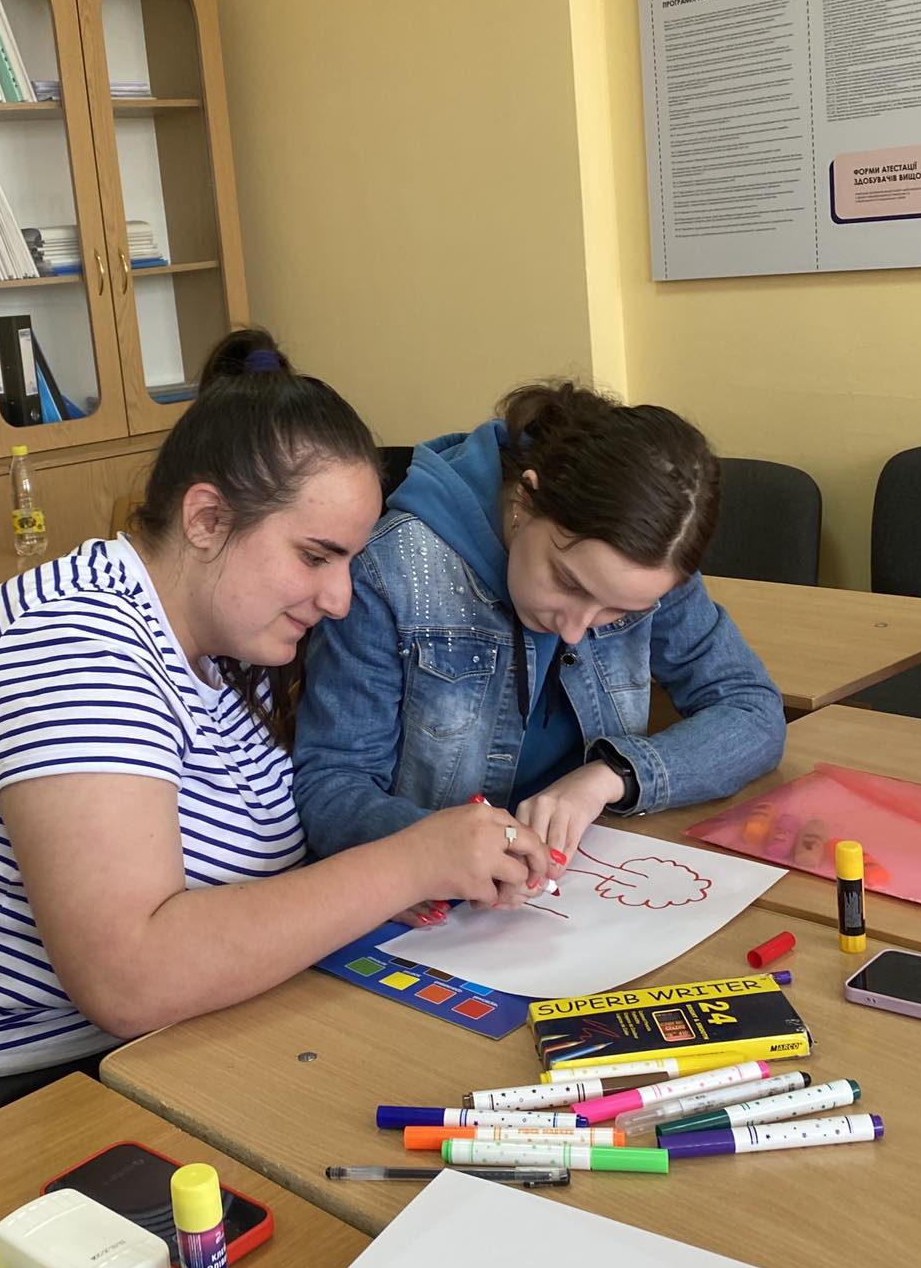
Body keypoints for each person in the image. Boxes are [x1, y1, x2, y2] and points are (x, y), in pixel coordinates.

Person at [0, 328, 548, 1196]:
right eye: (315, 556)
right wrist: (405, 863)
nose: (340, 597)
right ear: (206, 520)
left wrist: (387, 879)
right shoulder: (72, 648)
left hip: (120, 1058)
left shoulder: (220, 644)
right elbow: (132, 976)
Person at [294, 379, 786, 894]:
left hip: (582, 882)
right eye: (568, 583)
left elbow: (751, 708)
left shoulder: (650, 561)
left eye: (619, 612)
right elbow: (332, 787)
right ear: (526, 501)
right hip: (447, 905)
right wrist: (434, 851)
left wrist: (611, 776)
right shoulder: (391, 570)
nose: (574, 629)